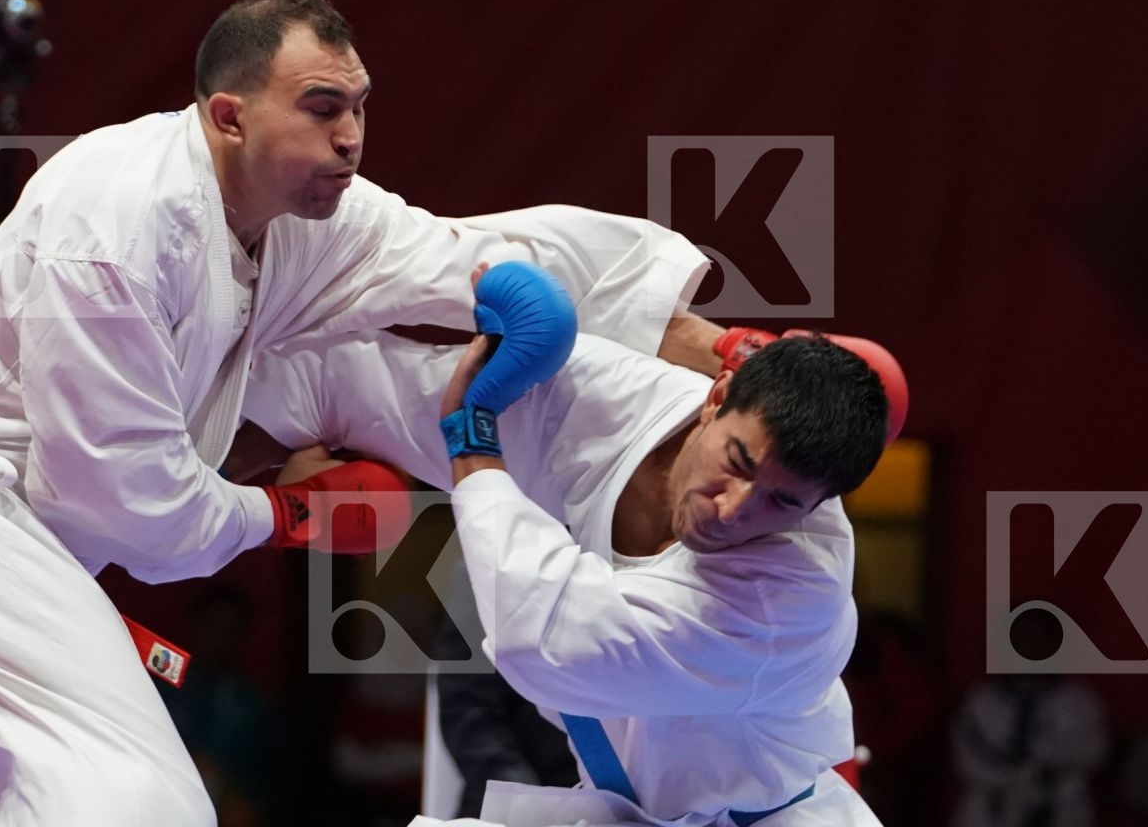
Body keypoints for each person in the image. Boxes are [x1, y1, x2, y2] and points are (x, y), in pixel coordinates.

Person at [0, 0, 712, 827]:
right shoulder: (116, 217)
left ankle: (701, 365)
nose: (351, 137)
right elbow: (132, 511)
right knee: (130, 801)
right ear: (230, 115)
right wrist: (289, 515)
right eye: (323, 108)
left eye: (362, 109)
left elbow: (457, 246)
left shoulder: (309, 216)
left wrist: (627, 315)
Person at [242, 269, 904, 827]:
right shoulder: (604, 398)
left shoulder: (788, 599)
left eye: (782, 503)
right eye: (737, 462)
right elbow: (363, 390)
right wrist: (233, 431)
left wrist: (473, 447)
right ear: (718, 397)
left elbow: (547, 645)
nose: (734, 509)